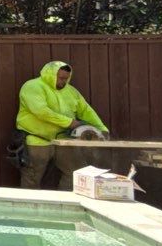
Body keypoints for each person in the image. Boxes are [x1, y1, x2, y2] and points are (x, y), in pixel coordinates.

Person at [15, 59, 109, 190]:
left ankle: (65, 202)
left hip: (64, 140)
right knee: (32, 176)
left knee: (76, 173)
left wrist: (101, 128)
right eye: (60, 78)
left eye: (66, 78)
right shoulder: (32, 86)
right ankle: (27, 208)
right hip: (37, 139)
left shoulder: (71, 91)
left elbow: (86, 110)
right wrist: (70, 123)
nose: (63, 81)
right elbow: (41, 112)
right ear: (50, 74)